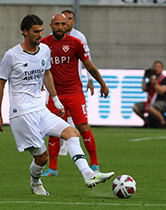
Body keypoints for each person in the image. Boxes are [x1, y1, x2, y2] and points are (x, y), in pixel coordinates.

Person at [0, 14, 114, 196]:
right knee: (42, 158)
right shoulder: (11, 55)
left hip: (40, 109)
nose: (40, 35)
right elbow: (0, 83)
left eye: (41, 31)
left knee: (72, 133)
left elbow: (47, 73)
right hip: (22, 114)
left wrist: (55, 99)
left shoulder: (44, 50)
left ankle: (89, 174)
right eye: (36, 32)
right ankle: (35, 183)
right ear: (25, 32)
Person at [41, 13, 110, 176]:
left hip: (74, 93)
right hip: (55, 94)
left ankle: (94, 165)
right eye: (56, 24)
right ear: (51, 26)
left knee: (83, 127)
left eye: (62, 24)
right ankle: (53, 168)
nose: (59, 27)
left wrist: (102, 83)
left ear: (67, 26)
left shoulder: (76, 43)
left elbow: (89, 66)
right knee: (54, 130)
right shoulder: (44, 44)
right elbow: (39, 68)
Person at [58, 9, 94, 156]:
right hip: (55, 83)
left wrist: (90, 79)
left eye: (69, 18)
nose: (66, 21)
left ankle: (68, 142)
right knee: (58, 114)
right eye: (64, 18)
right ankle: (61, 145)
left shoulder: (79, 37)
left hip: (73, 83)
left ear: (74, 21)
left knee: (72, 116)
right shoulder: (53, 38)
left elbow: (87, 58)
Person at [133, 61, 166, 128]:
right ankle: (147, 122)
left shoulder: (165, 79)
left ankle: (163, 123)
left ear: (162, 68)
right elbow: (144, 89)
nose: (156, 69)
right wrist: (144, 77)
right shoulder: (152, 80)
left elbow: (161, 91)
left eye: (158, 67)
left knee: (151, 108)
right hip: (152, 103)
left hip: (164, 102)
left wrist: (153, 82)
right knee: (136, 107)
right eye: (155, 67)